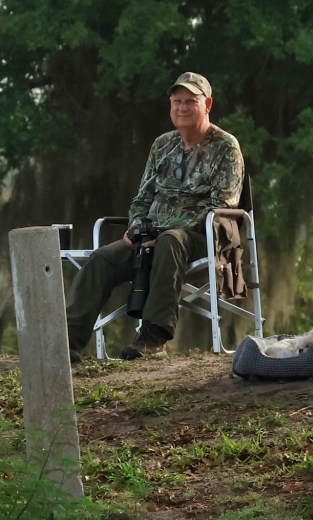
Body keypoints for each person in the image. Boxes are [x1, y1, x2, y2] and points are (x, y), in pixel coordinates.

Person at [66, 72, 244, 362]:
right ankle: (66, 343)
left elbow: (221, 205)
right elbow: (142, 198)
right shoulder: (162, 145)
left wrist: (162, 234)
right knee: (102, 259)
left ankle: (154, 336)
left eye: (191, 101)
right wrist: (137, 228)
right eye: (177, 101)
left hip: (204, 238)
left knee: (171, 240)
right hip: (152, 238)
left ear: (207, 104)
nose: (182, 107)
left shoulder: (226, 146)